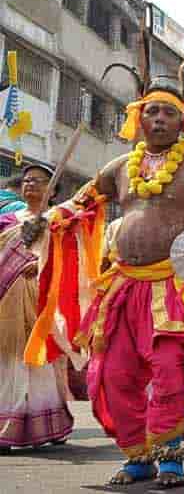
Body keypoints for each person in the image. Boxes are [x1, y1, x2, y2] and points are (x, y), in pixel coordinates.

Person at [22, 74, 184, 489]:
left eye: (168, 113)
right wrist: (46, 221)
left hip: (170, 287)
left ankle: (170, 457)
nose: (159, 119)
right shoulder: (118, 168)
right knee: (110, 375)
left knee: (167, 374)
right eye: (151, 112)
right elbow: (79, 204)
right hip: (121, 286)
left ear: (183, 122)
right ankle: (137, 456)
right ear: (139, 119)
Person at [0, 163, 73, 453]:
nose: (31, 185)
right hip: (7, 296)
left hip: (41, 297)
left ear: (52, 189)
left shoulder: (61, 220)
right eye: (27, 181)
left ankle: (48, 424)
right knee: (8, 360)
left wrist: (41, 264)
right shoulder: (8, 220)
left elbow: (71, 258)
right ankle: (8, 421)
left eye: (39, 181)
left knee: (39, 359)